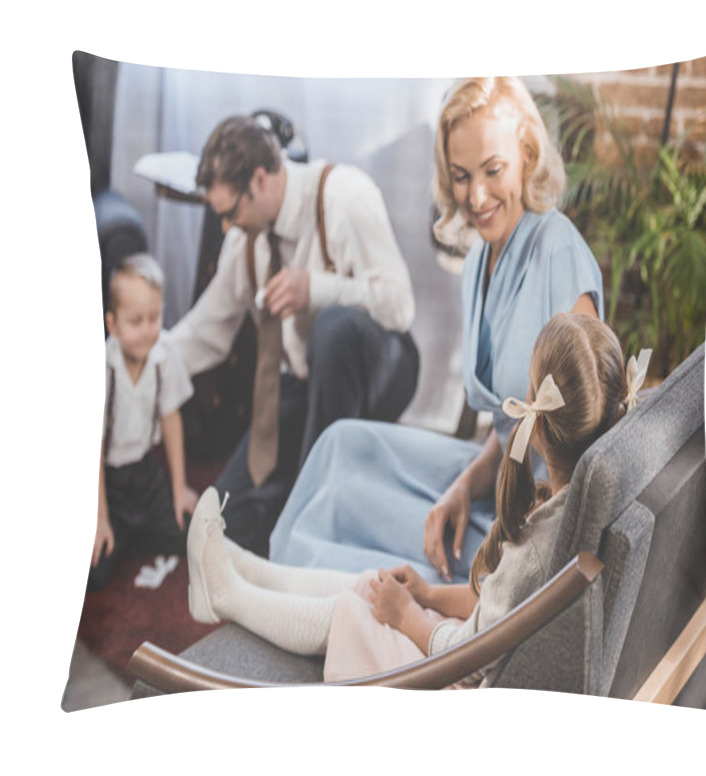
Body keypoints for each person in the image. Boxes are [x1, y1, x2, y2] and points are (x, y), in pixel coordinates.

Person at [269, 76, 604, 584]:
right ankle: (271, 575)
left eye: (493, 170)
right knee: (342, 445)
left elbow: (587, 442)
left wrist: (513, 543)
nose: (477, 195)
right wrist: (461, 487)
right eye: (461, 175)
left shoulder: (559, 253)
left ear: (528, 156)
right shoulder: (477, 264)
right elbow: (515, 421)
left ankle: (271, 592)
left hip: (537, 516)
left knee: (351, 509)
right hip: (497, 476)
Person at [187, 313, 634, 686]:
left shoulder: (536, 546)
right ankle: (249, 570)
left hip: (453, 684)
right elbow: (498, 610)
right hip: (472, 655)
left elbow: (471, 654)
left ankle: (230, 597)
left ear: (534, 417)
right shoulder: (582, 504)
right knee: (371, 583)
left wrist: (408, 618)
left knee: (353, 611)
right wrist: (427, 595)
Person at [170, 115, 419, 555]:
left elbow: (400, 306)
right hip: (304, 385)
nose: (225, 226)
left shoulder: (346, 196)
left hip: (381, 366)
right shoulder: (246, 236)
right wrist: (137, 362)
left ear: (260, 180)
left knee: (333, 327)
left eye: (229, 213)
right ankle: (300, 503)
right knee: (224, 526)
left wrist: (316, 290)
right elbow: (206, 329)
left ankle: (316, 515)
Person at [90, 254, 198, 591]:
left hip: (146, 474)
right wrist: (99, 518)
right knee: (93, 573)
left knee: (187, 535)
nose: (147, 330)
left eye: (154, 317)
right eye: (135, 321)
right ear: (113, 323)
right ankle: (122, 534)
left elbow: (170, 419)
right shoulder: (101, 368)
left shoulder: (163, 353)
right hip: (108, 481)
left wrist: (179, 489)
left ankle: (137, 535)